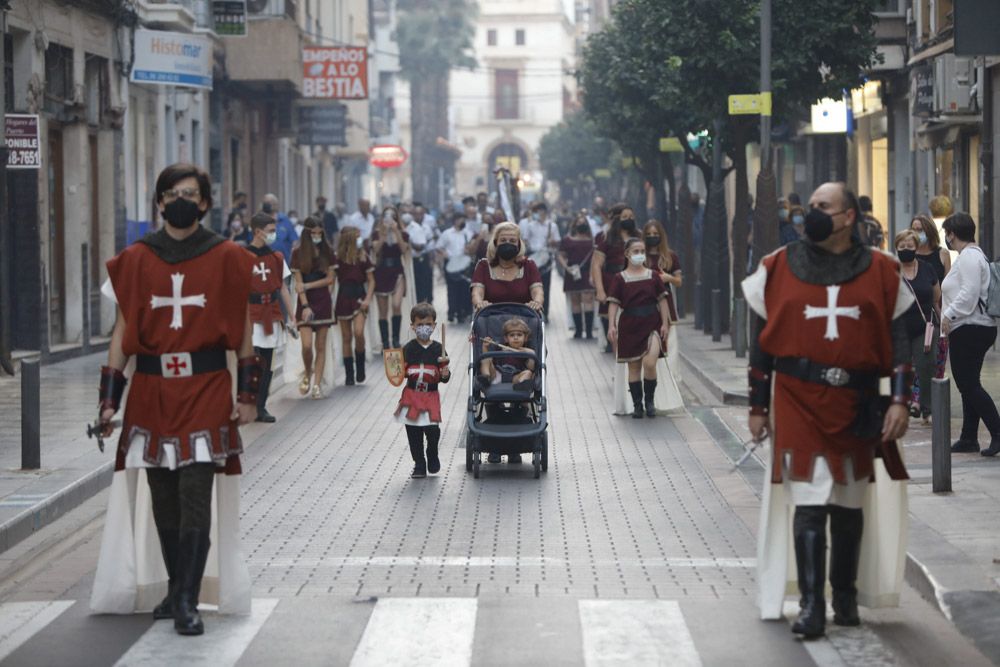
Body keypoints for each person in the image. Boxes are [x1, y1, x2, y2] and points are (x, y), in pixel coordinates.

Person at [91, 163, 260, 635]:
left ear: (205, 202)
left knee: (194, 494)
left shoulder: (228, 257)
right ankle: (174, 586)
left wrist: (247, 395)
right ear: (160, 202)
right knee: (162, 498)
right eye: (172, 193)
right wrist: (109, 400)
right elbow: (122, 334)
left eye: (190, 192)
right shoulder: (136, 259)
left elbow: (244, 329)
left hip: (205, 387)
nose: (180, 199)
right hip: (150, 390)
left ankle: (186, 599)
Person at [744, 182, 913, 640]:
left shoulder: (882, 270)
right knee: (811, 500)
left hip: (856, 401)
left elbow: (901, 342)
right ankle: (813, 606)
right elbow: (761, 344)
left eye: (823, 207)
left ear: (848, 217)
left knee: (849, 499)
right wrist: (757, 407)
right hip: (797, 398)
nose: (811, 214)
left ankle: (845, 596)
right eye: (811, 207)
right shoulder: (777, 267)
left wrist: (900, 399)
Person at [940, 213, 1000, 455]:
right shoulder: (975, 255)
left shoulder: (968, 257)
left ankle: (997, 432)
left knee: (968, 383)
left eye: (947, 233)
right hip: (973, 327)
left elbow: (969, 293)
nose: (947, 237)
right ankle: (968, 437)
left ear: (952, 234)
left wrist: (949, 314)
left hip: (970, 328)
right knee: (968, 383)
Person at [607, 238, 672, 418]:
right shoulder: (619, 279)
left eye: (642, 251)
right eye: (635, 251)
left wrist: (665, 323)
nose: (639, 255)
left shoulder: (653, 276)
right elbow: (613, 303)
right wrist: (611, 325)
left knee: (650, 362)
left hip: (652, 322)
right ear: (627, 254)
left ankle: (649, 401)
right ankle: (638, 405)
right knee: (634, 367)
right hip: (629, 325)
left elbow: (662, 300)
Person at [246, 212, 296, 422]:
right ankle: (247, 402)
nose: (274, 235)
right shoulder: (242, 257)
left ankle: (261, 406)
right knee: (250, 360)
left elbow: (283, 288)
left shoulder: (276, 258)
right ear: (258, 232)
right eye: (270, 231)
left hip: (271, 313)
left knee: (266, 362)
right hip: (251, 314)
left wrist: (292, 315)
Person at [395, 303, 451, 478]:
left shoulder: (438, 349)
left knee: (432, 430)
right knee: (413, 432)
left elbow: (444, 376)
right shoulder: (408, 348)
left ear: (434, 325)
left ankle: (432, 453)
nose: (424, 328)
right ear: (413, 326)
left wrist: (445, 373)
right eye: (419, 325)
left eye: (428, 324)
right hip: (412, 395)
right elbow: (399, 373)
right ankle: (419, 464)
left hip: (430, 395)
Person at [895, 229, 939, 423]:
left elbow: (937, 298)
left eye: (909, 246)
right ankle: (901, 404)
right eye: (902, 246)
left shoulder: (927, 268)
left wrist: (943, 322)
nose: (906, 249)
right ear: (896, 248)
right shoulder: (891, 270)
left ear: (916, 247)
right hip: (898, 329)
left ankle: (926, 407)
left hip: (924, 328)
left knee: (926, 366)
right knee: (899, 368)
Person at [291, 218, 336, 399]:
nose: (317, 236)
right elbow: (298, 283)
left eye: (320, 233)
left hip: (323, 300)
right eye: (313, 233)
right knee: (307, 346)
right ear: (307, 233)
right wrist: (305, 306)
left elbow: (330, 279)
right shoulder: (297, 253)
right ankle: (307, 373)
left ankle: (317, 384)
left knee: (321, 346)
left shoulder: (328, 252)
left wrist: (309, 287)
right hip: (305, 303)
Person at [911, 213, 952, 405]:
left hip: (938, 316)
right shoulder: (909, 255)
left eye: (920, 229)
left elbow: (949, 287)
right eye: (914, 229)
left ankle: (932, 404)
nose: (917, 233)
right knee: (917, 362)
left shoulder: (942, 254)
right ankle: (920, 402)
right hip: (916, 317)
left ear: (929, 230)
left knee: (937, 362)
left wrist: (947, 316)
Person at [592, 204, 640, 352]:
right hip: (612, 281)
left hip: (635, 281)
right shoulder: (606, 238)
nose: (629, 220)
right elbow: (596, 265)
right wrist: (600, 290)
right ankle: (614, 349)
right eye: (625, 217)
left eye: (631, 217)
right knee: (611, 318)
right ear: (617, 219)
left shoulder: (639, 236)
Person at [471, 222, 545, 313]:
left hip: (524, 322)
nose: (507, 243)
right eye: (503, 240)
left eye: (512, 241)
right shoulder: (484, 266)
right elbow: (477, 292)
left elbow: (537, 292)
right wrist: (479, 303)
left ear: (519, 244)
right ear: (495, 243)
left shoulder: (529, 265)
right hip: (490, 321)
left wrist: (537, 302)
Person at [334, 226, 375, 385]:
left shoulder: (362, 256)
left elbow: (371, 280)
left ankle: (361, 367)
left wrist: (367, 299)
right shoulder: (337, 258)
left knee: (358, 332)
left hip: (359, 296)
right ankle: (349, 374)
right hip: (343, 297)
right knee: (346, 337)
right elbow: (332, 280)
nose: (359, 239)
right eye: (356, 236)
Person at [643, 220, 683, 380]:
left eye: (655, 234)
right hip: (645, 304)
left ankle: (671, 378)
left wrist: (669, 278)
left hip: (667, 305)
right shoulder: (640, 256)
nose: (652, 237)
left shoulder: (670, 256)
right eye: (649, 235)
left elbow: (679, 282)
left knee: (670, 344)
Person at [371, 206, 411, 349]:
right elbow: (375, 249)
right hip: (381, 271)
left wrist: (395, 231)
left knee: (396, 305)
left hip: (397, 271)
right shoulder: (376, 233)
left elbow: (403, 249)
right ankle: (385, 342)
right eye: (387, 216)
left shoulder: (403, 233)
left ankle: (395, 339)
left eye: (393, 216)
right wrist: (383, 233)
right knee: (383, 310)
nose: (390, 219)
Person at [519, 202, 560, 321]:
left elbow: (557, 241)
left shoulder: (552, 226)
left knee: (545, 286)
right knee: (531, 285)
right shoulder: (530, 225)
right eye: (537, 211)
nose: (539, 214)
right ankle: (532, 310)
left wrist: (553, 242)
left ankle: (544, 313)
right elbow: (525, 240)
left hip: (545, 257)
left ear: (545, 212)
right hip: (533, 256)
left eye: (541, 211)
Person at [559, 213, 596, 339]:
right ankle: (579, 331)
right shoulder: (567, 240)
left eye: (583, 222)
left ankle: (589, 331)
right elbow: (561, 255)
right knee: (575, 300)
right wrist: (566, 267)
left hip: (587, 272)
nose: (581, 224)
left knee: (588, 299)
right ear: (574, 225)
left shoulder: (593, 241)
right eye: (579, 222)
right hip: (573, 273)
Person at [436, 212, 475, 323]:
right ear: (455, 221)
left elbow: (472, 247)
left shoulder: (467, 233)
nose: (462, 222)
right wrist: (444, 254)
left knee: (464, 289)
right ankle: (452, 312)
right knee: (452, 289)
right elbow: (439, 247)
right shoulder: (447, 233)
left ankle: (462, 312)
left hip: (463, 265)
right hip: (451, 263)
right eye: (460, 219)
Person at [479, 317, 536, 390]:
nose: (516, 338)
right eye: (512, 335)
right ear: (506, 338)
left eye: (519, 335)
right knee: (486, 359)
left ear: (525, 338)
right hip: (497, 375)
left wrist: (531, 353)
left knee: (528, 373)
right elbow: (490, 361)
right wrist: (485, 347)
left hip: (515, 377)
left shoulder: (525, 352)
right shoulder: (500, 348)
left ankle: (521, 385)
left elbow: (531, 368)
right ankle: (486, 378)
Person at [406, 210, 434, 305]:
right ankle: (418, 302)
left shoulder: (427, 227)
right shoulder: (409, 227)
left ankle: (428, 301)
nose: (418, 216)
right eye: (416, 214)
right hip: (412, 259)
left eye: (420, 214)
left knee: (426, 281)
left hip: (424, 257)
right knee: (417, 283)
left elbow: (429, 245)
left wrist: (431, 259)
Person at [261, 193, 299, 262]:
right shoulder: (260, 220)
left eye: (269, 203)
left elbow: (294, 240)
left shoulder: (285, 220)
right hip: (265, 261)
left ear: (275, 205)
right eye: (265, 203)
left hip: (284, 261)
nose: (266, 205)